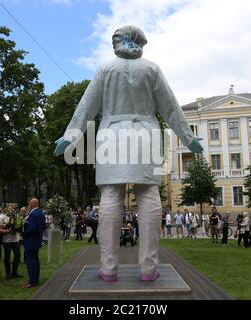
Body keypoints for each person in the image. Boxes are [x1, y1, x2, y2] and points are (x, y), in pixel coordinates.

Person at [54, 26, 203, 282]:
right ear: (140, 44)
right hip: (146, 134)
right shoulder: (151, 69)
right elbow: (170, 106)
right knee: (149, 194)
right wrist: (189, 138)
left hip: (111, 136)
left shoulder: (106, 69)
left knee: (111, 194)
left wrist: (70, 137)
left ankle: (108, 268)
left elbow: (86, 106)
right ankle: (149, 267)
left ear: (117, 43)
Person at [22, 198, 45, 288]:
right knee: (35, 260)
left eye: (29, 204)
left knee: (30, 261)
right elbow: (43, 226)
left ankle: (32, 281)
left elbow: (31, 228)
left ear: (32, 204)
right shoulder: (41, 213)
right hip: (37, 240)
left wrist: (24, 234)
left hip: (31, 241)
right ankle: (36, 279)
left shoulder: (33, 214)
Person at [0, 209, 23, 280]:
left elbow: (19, 225)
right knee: (7, 256)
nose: (10, 211)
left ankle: (14, 272)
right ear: (5, 210)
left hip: (15, 239)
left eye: (12, 210)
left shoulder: (16, 216)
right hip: (6, 240)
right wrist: (7, 231)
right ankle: (8, 273)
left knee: (18, 255)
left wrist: (17, 229)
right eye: (9, 210)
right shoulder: (1, 217)